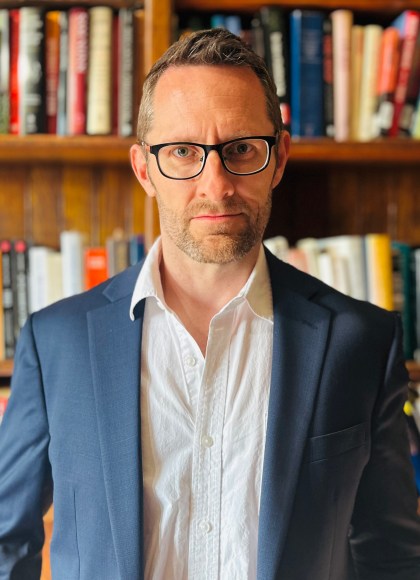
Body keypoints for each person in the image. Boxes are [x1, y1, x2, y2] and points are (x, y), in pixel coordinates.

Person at [0, 27, 420, 580]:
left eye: (241, 149)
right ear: (144, 169)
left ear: (279, 158)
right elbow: (6, 544)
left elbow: (392, 555)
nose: (216, 185)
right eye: (182, 152)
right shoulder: (56, 342)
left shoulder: (361, 340)